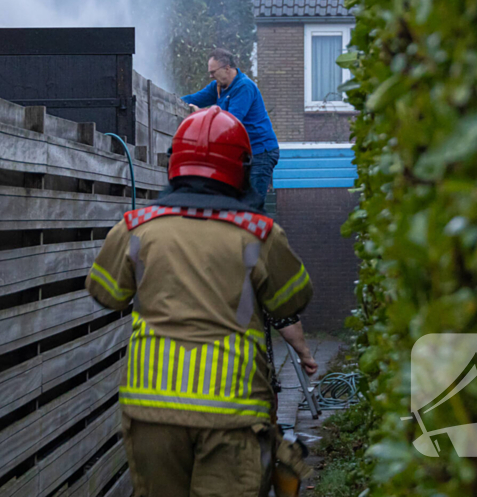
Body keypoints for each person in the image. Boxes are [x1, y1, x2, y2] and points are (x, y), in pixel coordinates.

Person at [85, 106, 313, 497]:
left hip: (151, 407)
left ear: (176, 163)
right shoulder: (261, 234)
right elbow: (292, 299)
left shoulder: (136, 228)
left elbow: (105, 293)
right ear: (241, 167)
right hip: (233, 411)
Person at [180, 48, 280, 211]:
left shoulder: (244, 87)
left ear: (227, 68)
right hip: (245, 154)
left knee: (252, 206)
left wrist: (202, 113)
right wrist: (170, 100)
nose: (210, 76)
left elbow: (230, 122)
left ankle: (256, 234)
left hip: (261, 153)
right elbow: (192, 99)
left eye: (213, 72)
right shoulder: (217, 86)